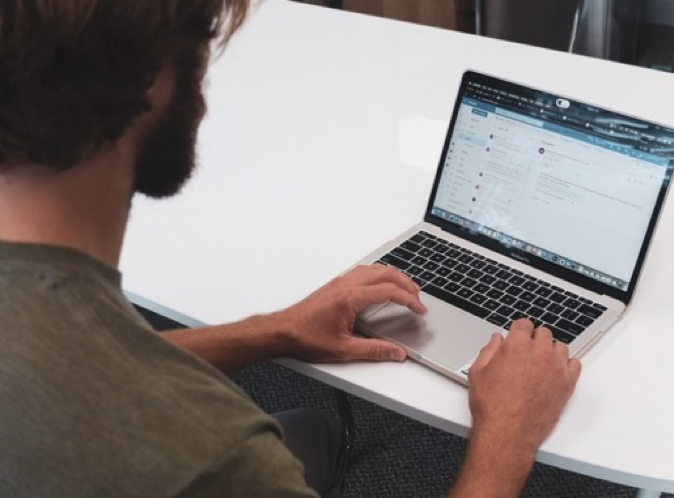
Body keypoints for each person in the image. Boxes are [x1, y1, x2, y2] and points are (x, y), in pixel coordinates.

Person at [0, 1, 581, 497]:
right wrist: (507, 436)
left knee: (303, 430)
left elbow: (92, 371)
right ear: (153, 80)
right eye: (202, 49)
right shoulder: (214, 459)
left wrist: (275, 330)